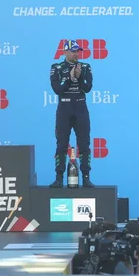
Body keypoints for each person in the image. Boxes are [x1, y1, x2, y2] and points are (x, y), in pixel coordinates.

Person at [50, 40, 94, 188]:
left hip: (80, 107)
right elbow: (57, 89)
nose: (76, 54)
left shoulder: (85, 67)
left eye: (78, 51)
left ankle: (86, 177)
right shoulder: (56, 68)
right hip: (64, 108)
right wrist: (69, 77)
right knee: (62, 143)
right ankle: (58, 177)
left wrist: (79, 76)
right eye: (73, 51)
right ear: (65, 52)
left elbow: (87, 87)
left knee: (84, 144)